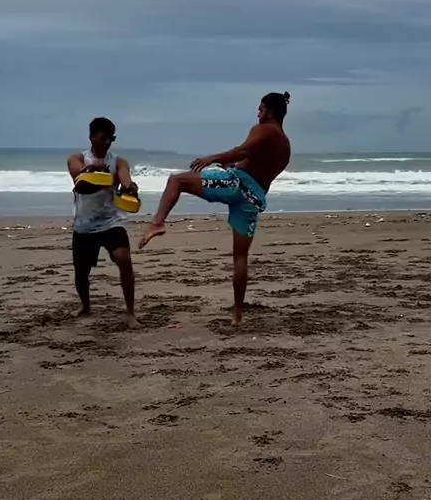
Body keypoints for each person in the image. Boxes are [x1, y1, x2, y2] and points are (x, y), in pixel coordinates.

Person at [139, 92, 291, 325]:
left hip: (234, 185)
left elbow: (243, 151)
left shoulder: (264, 129)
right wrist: (232, 164)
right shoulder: (285, 145)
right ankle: (237, 315)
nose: (257, 113)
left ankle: (157, 223)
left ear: (270, 112)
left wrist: (212, 158)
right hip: (253, 199)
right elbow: (256, 166)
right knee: (240, 257)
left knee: (176, 181)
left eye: (261, 109)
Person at [67, 117, 141, 329]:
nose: (107, 143)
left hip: (111, 221)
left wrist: (129, 187)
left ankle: (130, 313)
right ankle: (85, 306)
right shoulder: (77, 159)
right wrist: (90, 171)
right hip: (84, 224)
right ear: (91, 137)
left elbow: (125, 178)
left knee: (124, 260)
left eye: (111, 139)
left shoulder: (118, 162)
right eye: (103, 138)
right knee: (81, 274)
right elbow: (80, 182)